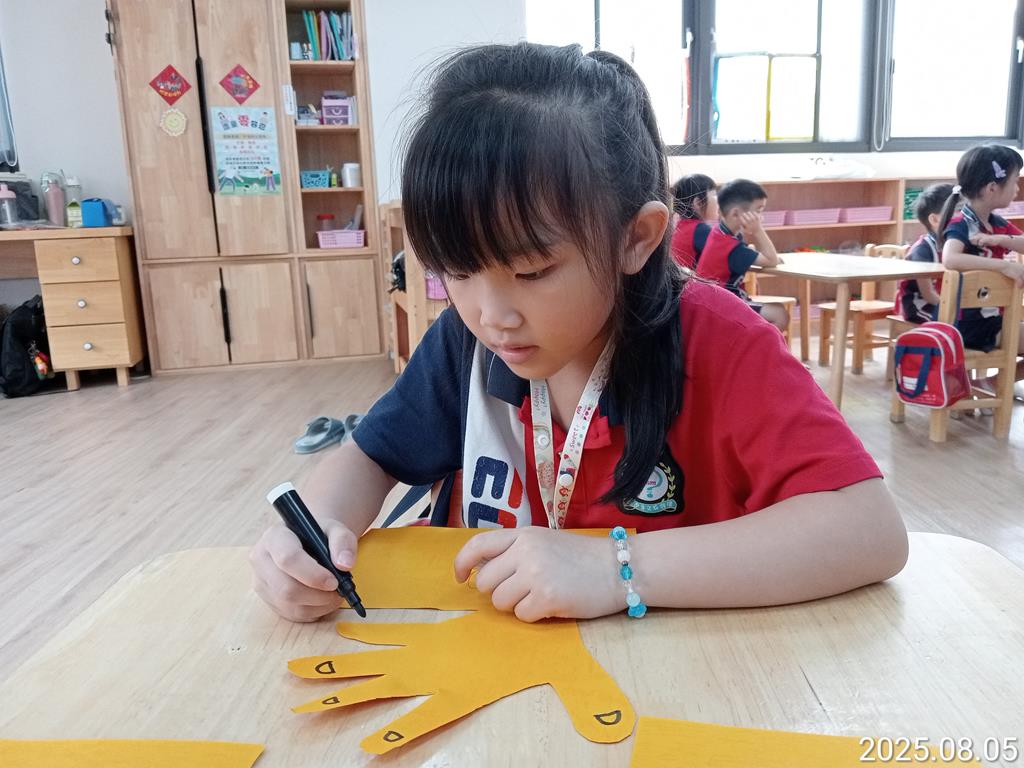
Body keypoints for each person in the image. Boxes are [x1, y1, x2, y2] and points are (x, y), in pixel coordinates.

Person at [250, 43, 907, 624]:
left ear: (637, 238)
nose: (492, 314)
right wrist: (314, 530)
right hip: (486, 668)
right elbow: (370, 457)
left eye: (532, 271)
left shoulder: (719, 340)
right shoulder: (464, 343)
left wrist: (618, 569)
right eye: (457, 271)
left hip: (669, 679)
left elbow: (870, 530)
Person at [937, 144, 1024, 385]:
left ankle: (988, 385)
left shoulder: (996, 224)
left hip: (991, 319)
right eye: (1015, 181)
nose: (1017, 189)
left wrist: (1002, 240)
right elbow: (950, 258)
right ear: (992, 188)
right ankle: (990, 386)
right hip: (968, 323)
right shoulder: (962, 223)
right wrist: (1003, 266)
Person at [695, 179, 789, 333]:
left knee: (776, 309)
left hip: (714, 302)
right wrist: (758, 230)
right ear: (736, 213)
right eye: (758, 211)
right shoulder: (731, 247)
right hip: (721, 306)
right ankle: (754, 345)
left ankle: (754, 343)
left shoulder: (720, 233)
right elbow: (772, 260)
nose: (761, 217)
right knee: (779, 314)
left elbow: (747, 254)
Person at [895, 183, 953, 323]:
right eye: (955, 212)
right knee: (954, 323)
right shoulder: (922, 251)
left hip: (942, 303)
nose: (962, 219)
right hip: (919, 306)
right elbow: (928, 294)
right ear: (934, 219)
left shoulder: (953, 245)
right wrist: (953, 309)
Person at [669, 174, 716, 269]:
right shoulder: (701, 230)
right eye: (714, 195)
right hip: (689, 278)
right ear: (698, 203)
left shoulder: (680, 226)